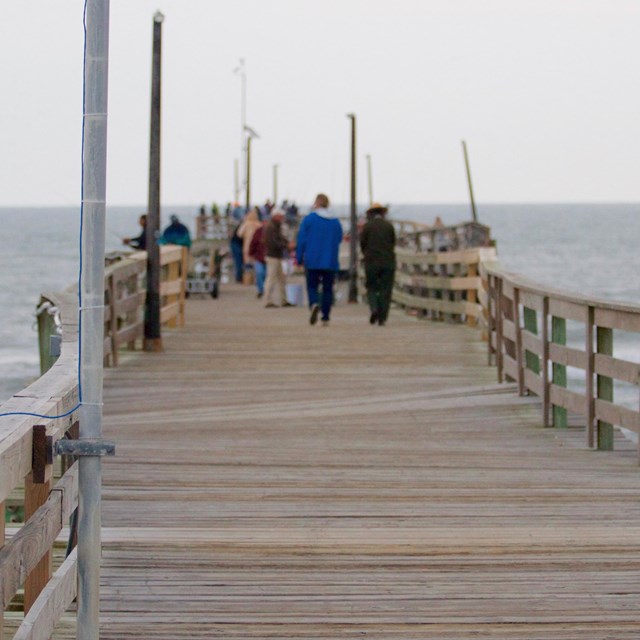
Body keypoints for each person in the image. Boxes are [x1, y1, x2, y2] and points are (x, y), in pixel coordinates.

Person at [295, 193, 343, 326]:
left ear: (316, 203)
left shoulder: (309, 219)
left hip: (313, 260)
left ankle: (314, 303)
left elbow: (301, 240)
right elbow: (339, 239)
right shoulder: (335, 221)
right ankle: (326, 316)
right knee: (328, 288)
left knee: (312, 286)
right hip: (330, 260)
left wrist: (299, 258)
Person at [360, 203, 396, 326]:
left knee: (371, 287)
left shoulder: (367, 226)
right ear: (382, 213)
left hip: (371, 262)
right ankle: (382, 317)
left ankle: (374, 308)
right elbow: (392, 243)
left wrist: (366, 254)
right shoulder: (389, 226)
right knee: (386, 289)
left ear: (371, 214)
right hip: (388, 262)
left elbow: (363, 244)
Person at [263, 210, 294, 308]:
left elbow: (279, 238)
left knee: (281, 279)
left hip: (277, 256)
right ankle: (268, 300)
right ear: (276, 216)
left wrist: (287, 244)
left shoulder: (275, 226)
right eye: (281, 216)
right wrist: (286, 245)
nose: (282, 218)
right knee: (271, 278)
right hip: (273, 256)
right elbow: (273, 242)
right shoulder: (271, 227)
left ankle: (283, 299)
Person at [237, 208, 262, 282]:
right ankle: (256, 279)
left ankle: (247, 279)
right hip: (257, 246)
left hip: (247, 246)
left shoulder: (246, 224)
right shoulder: (258, 224)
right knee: (256, 263)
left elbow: (239, 234)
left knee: (247, 264)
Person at [248, 221, 267, 298]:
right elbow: (253, 243)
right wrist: (251, 253)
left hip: (268, 257)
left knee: (265, 274)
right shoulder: (258, 232)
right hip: (259, 257)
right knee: (259, 273)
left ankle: (265, 290)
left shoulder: (272, 233)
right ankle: (261, 290)